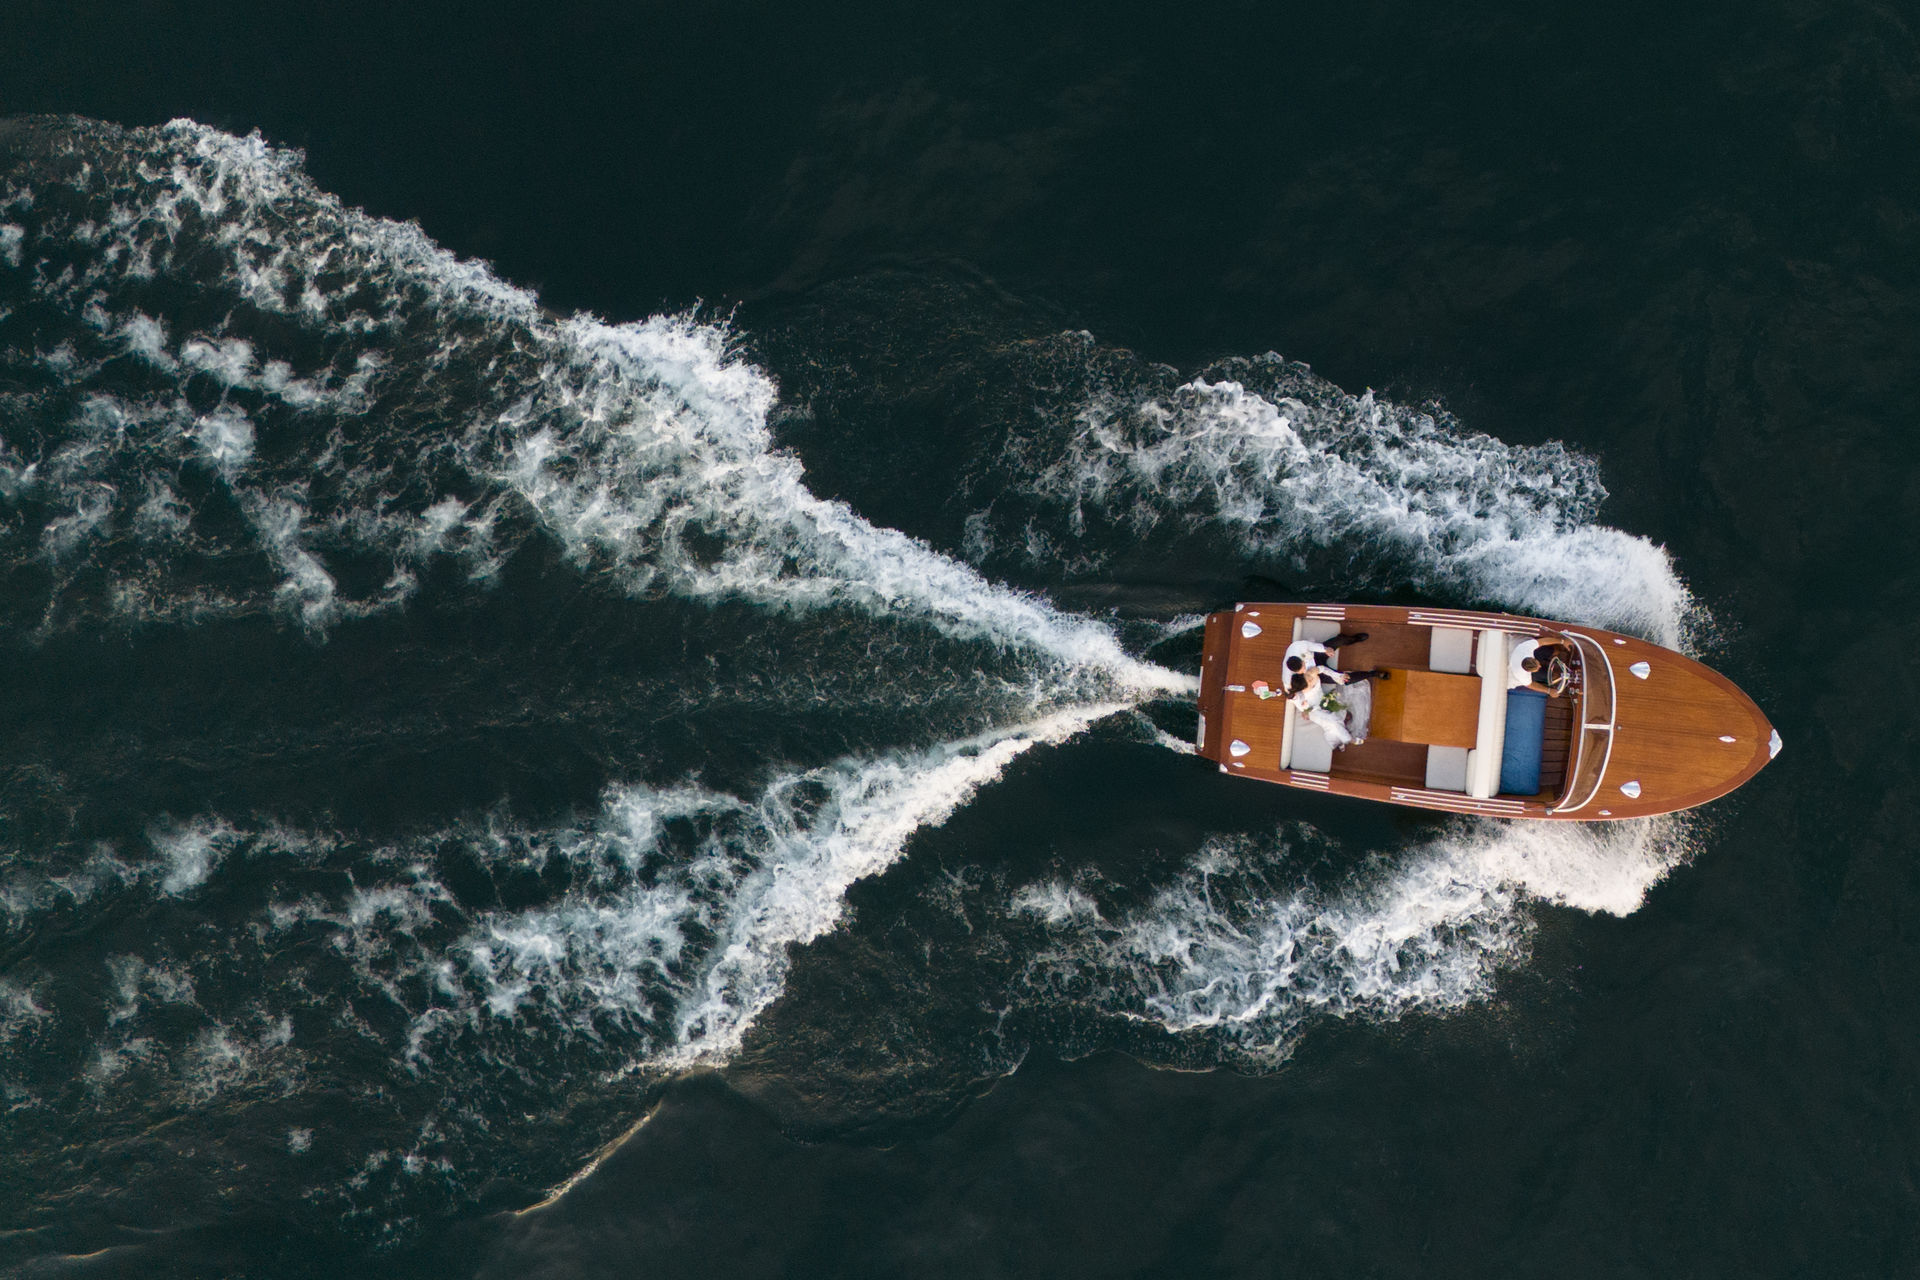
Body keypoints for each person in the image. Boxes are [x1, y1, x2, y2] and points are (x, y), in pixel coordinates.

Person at [1508, 635, 1574, 695]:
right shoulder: (1521, 675)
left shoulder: (1525, 649)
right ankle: (1557, 675)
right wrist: (1549, 691)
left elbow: (1542, 642)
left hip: (1522, 654)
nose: (1540, 666)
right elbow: (1530, 685)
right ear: (1529, 672)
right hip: (1518, 668)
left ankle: (1559, 651)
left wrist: (1563, 641)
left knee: (1552, 651)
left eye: (1538, 664)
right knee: (1551, 676)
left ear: (1531, 657)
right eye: (1537, 668)